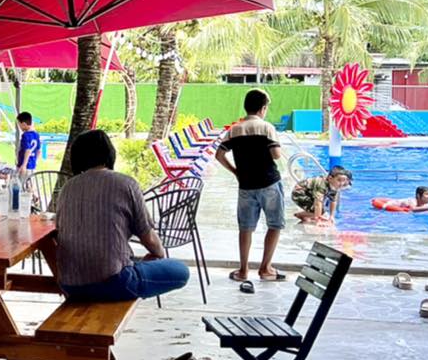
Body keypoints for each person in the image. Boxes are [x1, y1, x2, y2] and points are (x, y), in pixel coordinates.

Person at [51, 129, 190, 301]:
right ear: (110, 153)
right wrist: (159, 257)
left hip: (70, 286)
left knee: (128, 266)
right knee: (180, 270)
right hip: (115, 282)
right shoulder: (126, 184)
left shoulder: (67, 188)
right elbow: (149, 238)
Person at [214, 89, 284, 283]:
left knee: (246, 228)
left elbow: (219, 155)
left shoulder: (234, 129)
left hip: (246, 185)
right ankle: (265, 268)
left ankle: (243, 270)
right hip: (269, 183)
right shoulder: (267, 127)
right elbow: (276, 155)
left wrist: (236, 171)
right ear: (263, 108)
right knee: (275, 225)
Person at [16, 111, 40, 176]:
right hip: (32, 166)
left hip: (24, 166)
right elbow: (39, 151)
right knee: (30, 181)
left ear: (23, 124)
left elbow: (28, 150)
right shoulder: (36, 135)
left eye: (19, 124)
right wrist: (35, 162)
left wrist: (24, 165)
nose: (19, 127)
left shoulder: (25, 135)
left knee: (21, 181)